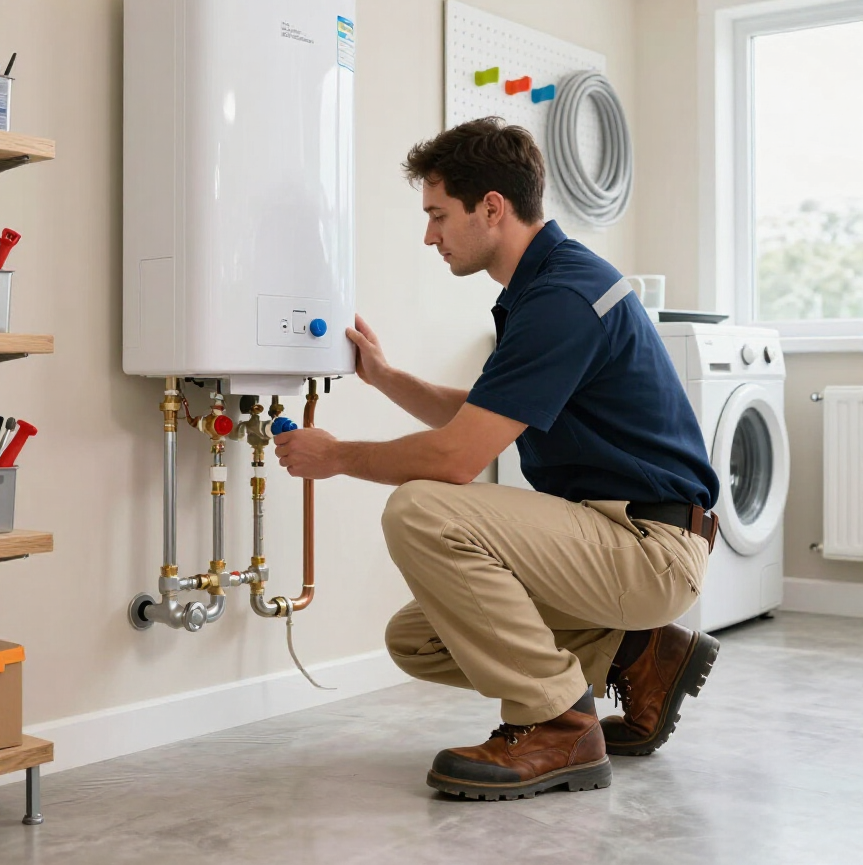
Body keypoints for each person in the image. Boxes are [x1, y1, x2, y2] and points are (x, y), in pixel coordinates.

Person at [273, 117, 721, 801]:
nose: (430, 236)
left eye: (438, 215)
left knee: (424, 507)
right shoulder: (544, 289)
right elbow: (482, 417)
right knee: (418, 639)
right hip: (619, 534)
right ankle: (638, 651)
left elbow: (457, 459)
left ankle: (558, 722)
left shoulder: (563, 298)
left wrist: (336, 456)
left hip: (647, 544)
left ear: (492, 207)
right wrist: (387, 378)